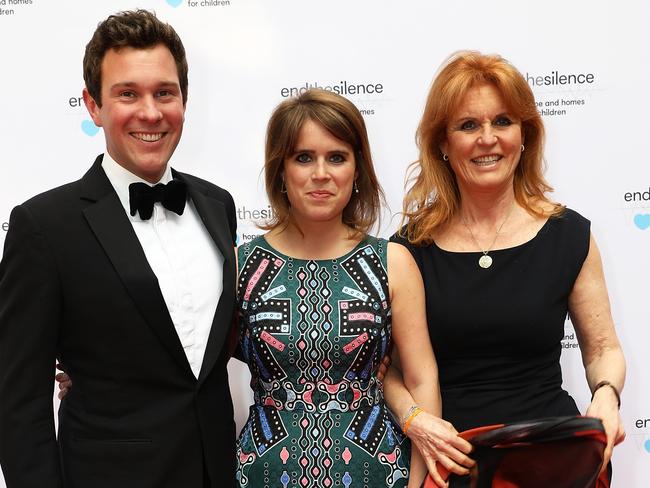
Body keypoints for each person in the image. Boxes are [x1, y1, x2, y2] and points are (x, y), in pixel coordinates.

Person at [0, 10, 237, 488]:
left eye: (164, 93)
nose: (150, 113)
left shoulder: (218, 205)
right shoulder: (44, 226)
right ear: (93, 106)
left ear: (184, 101)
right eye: (127, 93)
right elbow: (18, 402)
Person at [383, 51, 626, 487]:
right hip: (453, 463)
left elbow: (603, 348)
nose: (487, 139)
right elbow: (389, 368)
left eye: (502, 122)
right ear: (442, 143)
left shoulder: (569, 235)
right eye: (468, 125)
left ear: (525, 134)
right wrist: (415, 420)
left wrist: (606, 397)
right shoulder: (409, 248)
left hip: (554, 461)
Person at [233, 88, 473, 488]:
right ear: (280, 169)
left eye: (337, 157)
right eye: (303, 157)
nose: (321, 173)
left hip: (378, 474)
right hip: (265, 475)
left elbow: (421, 380)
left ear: (357, 169)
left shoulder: (392, 263)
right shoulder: (242, 266)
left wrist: (420, 485)